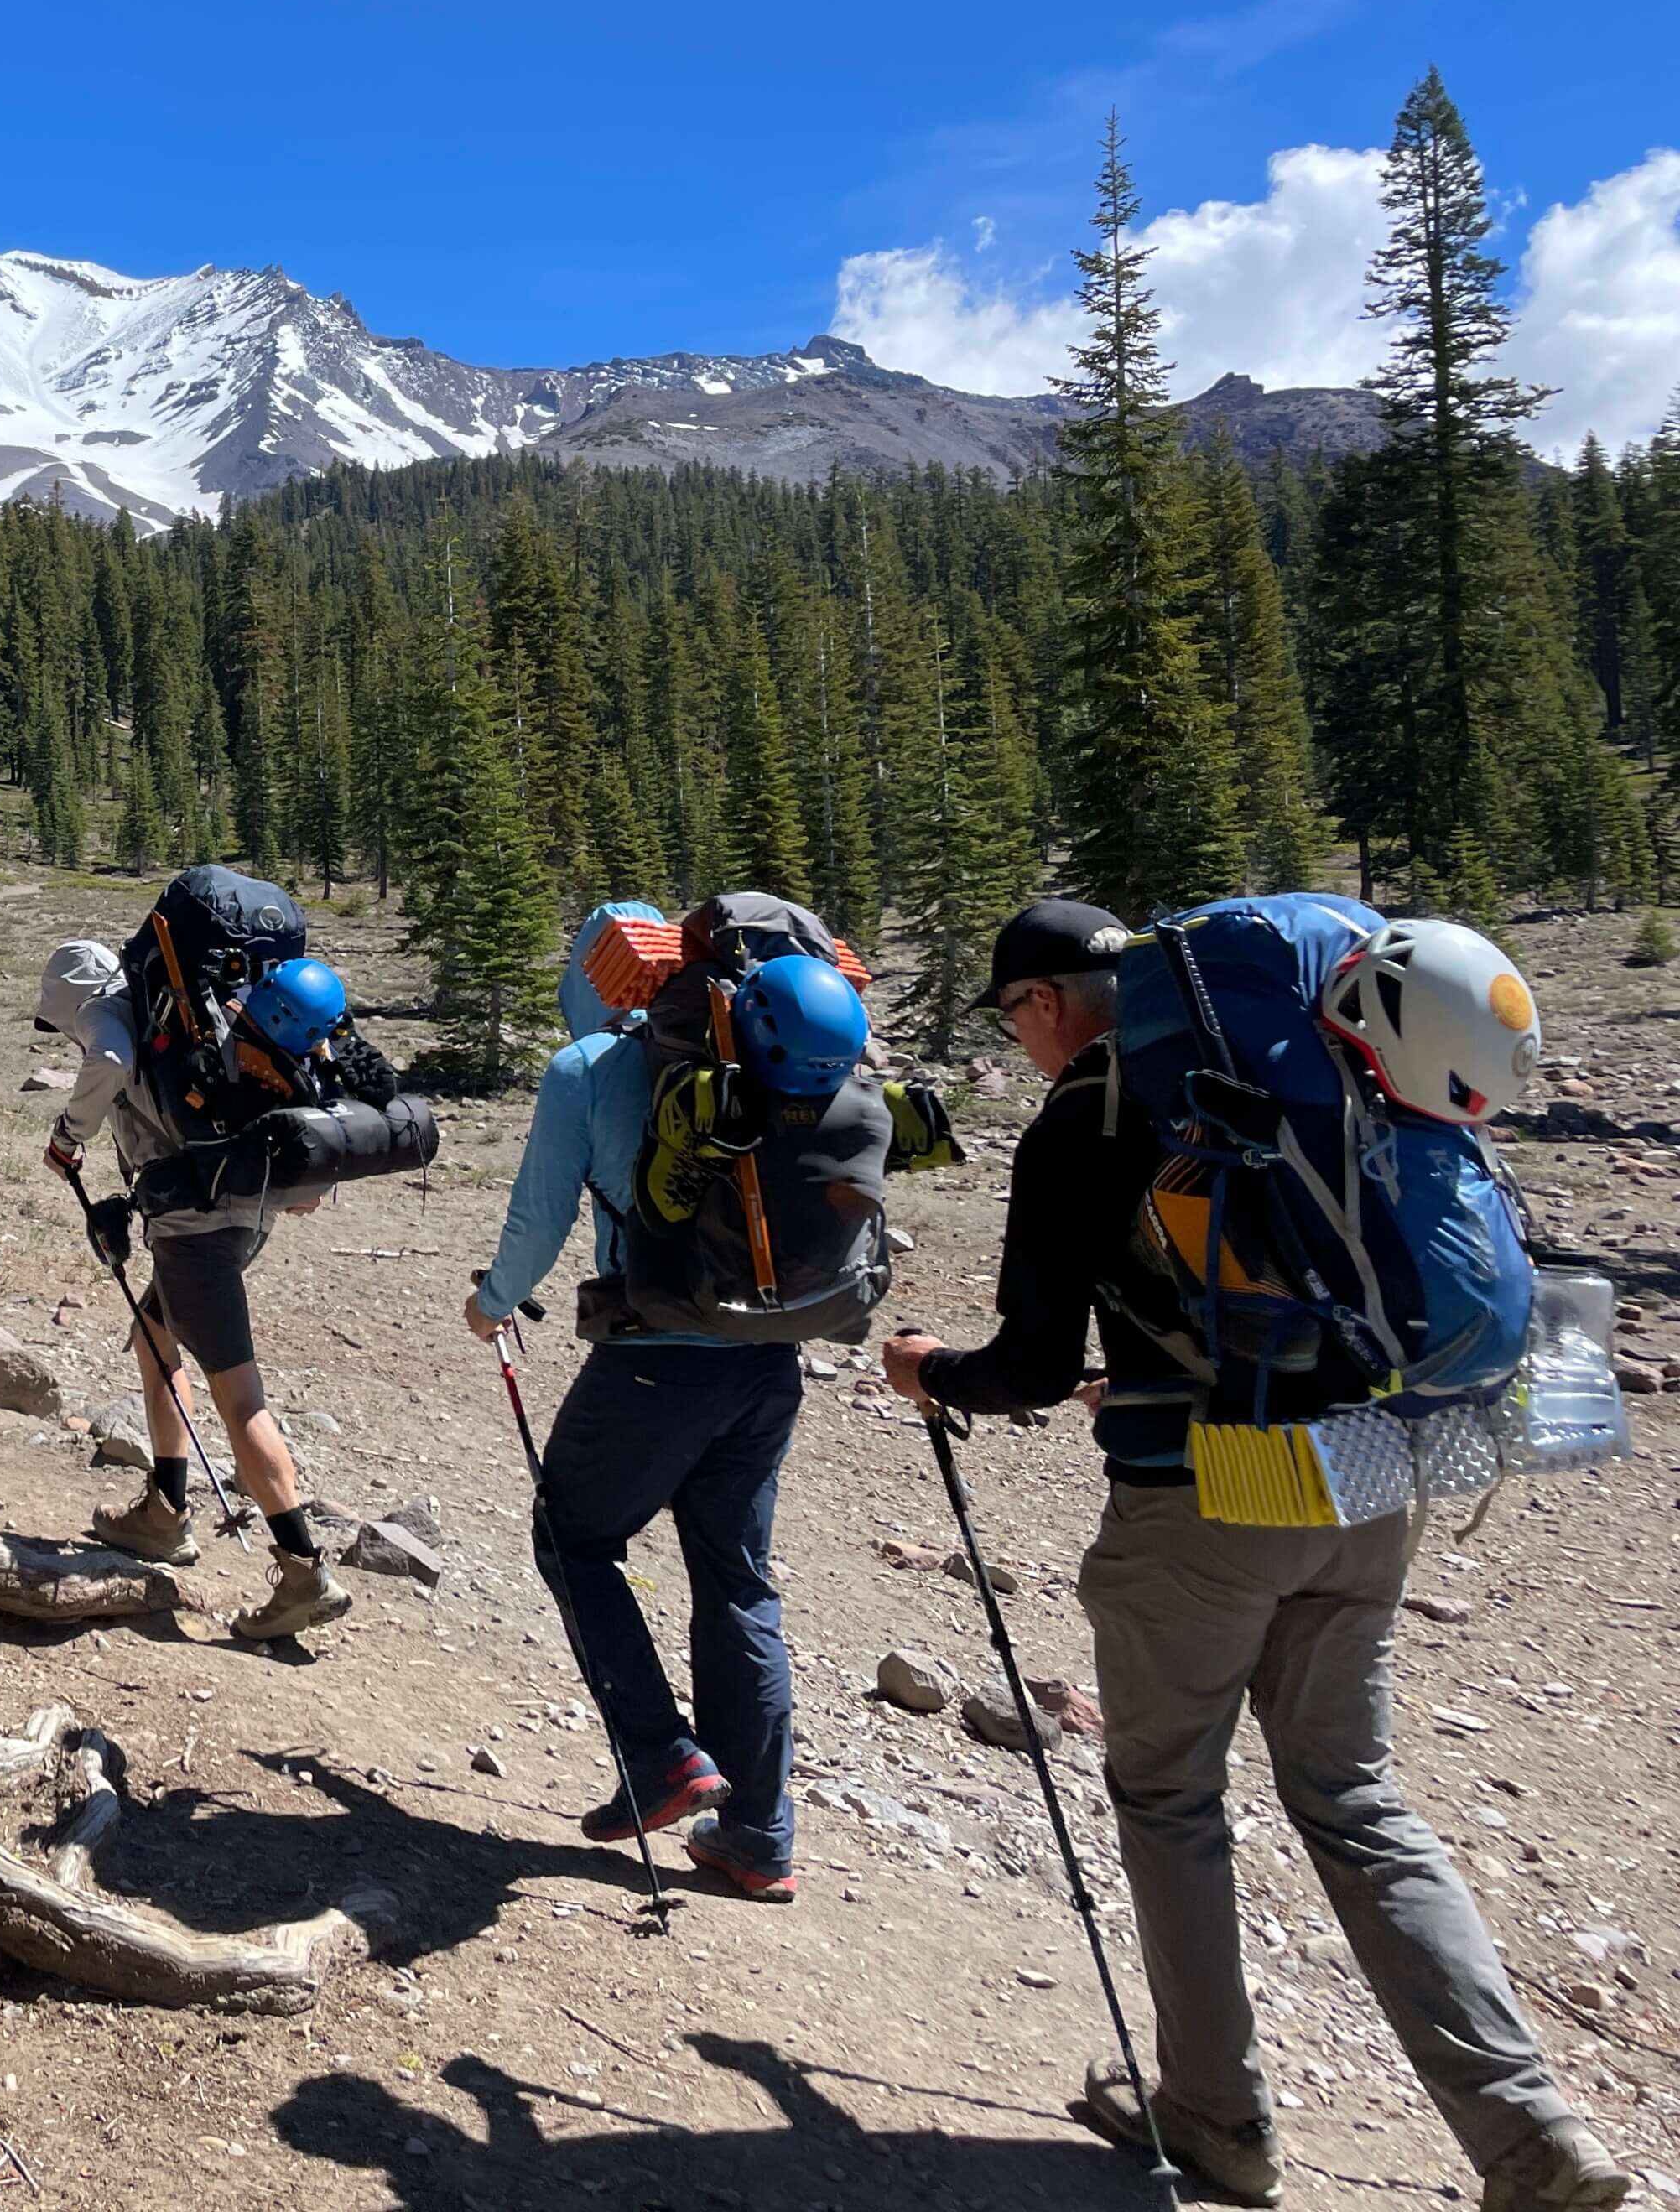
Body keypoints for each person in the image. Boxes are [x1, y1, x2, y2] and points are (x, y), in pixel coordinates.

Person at [884, 897, 1629, 2212]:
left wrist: (931, 1370)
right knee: (1354, 1797)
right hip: (1377, 1477)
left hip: (1206, 1509)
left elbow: (1029, 1366)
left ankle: (1217, 2118)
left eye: (1013, 1022)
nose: (1020, 1047)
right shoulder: (1306, 1083)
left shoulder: (1089, 1119)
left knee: (1171, 1796)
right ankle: (1529, 2134)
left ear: (1048, 1003)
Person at [464, 901, 869, 1905]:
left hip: (653, 1361)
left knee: (573, 1537)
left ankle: (659, 1758)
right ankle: (758, 1835)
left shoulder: (591, 1070)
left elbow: (540, 1216)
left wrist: (491, 1303)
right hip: (768, 1358)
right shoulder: (779, 1069)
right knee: (735, 1581)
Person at [34, 938, 354, 1642]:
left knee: (240, 1400)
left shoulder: (112, 1019)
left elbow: (111, 1064)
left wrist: (68, 1137)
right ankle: (164, 1511)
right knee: (155, 1341)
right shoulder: (177, 1016)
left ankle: (303, 1572)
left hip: (196, 1233)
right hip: (235, 1216)